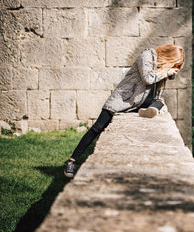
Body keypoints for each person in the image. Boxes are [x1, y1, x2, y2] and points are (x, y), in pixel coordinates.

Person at [64, 44, 185, 178]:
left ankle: (150, 110)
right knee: (96, 128)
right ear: (170, 57)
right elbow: (147, 79)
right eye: (176, 65)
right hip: (123, 100)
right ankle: (71, 161)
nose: (175, 69)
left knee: (160, 102)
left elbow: (156, 90)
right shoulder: (146, 56)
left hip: (139, 103)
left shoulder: (160, 68)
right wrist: (165, 72)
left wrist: (166, 74)